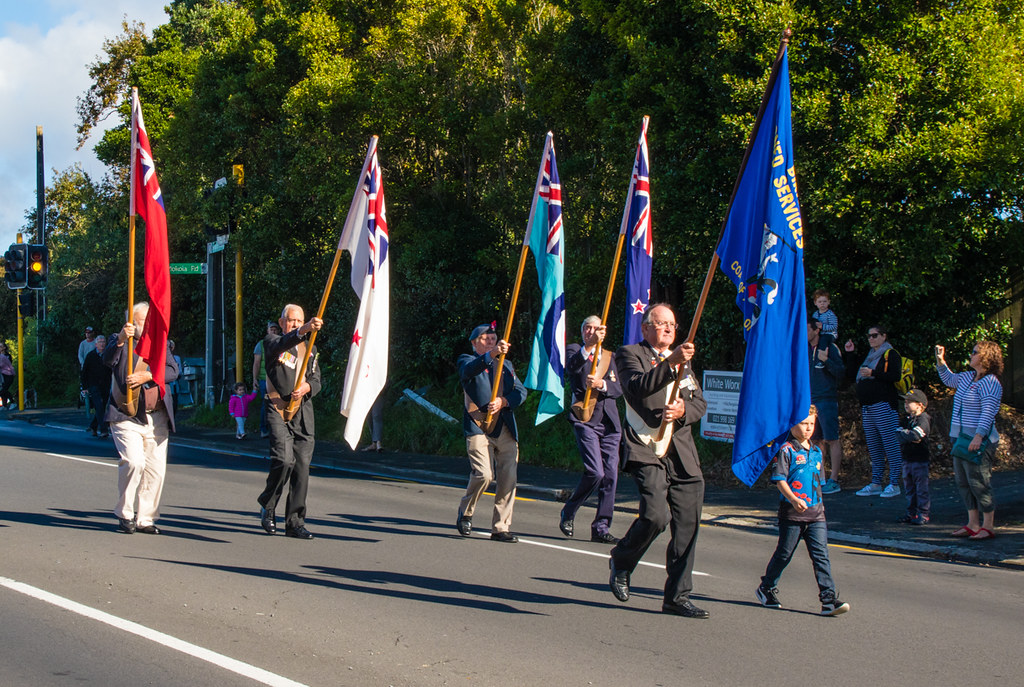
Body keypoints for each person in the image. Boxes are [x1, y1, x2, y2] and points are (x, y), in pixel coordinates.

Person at [609, 303, 709, 619]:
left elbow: (699, 403)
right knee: (655, 516)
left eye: (672, 325)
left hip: (680, 451)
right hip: (644, 445)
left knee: (688, 525)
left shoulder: (685, 364)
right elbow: (637, 388)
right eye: (661, 323)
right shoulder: (629, 354)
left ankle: (677, 597)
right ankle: (622, 561)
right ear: (646, 327)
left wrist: (684, 412)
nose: (668, 329)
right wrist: (670, 364)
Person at [755, 408, 851, 616]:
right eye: (803, 423)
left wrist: (821, 505)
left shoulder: (816, 451)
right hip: (792, 513)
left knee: (821, 556)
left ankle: (828, 599)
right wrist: (793, 499)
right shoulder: (786, 450)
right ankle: (767, 587)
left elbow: (818, 481)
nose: (808, 428)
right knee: (784, 554)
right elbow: (779, 479)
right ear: (792, 425)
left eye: (811, 424)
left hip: (816, 514)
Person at [103, 303, 178, 535]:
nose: (143, 324)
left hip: (157, 416)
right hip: (126, 414)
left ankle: (146, 518)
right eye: (138, 320)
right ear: (130, 322)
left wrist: (150, 374)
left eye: (146, 320)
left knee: (155, 470)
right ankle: (125, 513)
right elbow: (107, 360)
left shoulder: (160, 342)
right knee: (134, 462)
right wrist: (121, 341)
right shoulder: (120, 340)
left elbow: (173, 371)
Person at [456, 323, 527, 543]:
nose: (491, 342)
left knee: (508, 477)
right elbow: (469, 372)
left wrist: (504, 401)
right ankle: (466, 511)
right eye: (486, 339)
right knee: (484, 474)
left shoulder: (507, 365)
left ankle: (500, 527)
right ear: (474, 342)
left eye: (494, 339)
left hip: (503, 425)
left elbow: (521, 392)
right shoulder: (467, 360)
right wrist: (491, 355)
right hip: (478, 424)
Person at [257, 304, 322, 539]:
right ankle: (268, 504)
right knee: (283, 461)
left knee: (302, 470)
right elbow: (283, 343)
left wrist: (307, 387)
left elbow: (316, 380)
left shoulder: (310, 349)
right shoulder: (273, 342)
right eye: (291, 320)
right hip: (278, 408)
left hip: (303, 414)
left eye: (299, 321)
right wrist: (303, 329)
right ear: (282, 321)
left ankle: (295, 522)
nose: (294, 324)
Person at [559, 316, 622, 544]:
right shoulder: (575, 350)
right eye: (587, 327)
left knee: (611, 477)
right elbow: (572, 368)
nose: (591, 331)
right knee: (596, 472)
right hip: (585, 419)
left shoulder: (609, 357)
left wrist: (602, 385)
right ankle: (569, 510)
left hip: (610, 425)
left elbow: (618, 387)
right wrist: (589, 346)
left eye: (596, 329)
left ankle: (601, 527)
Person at [936, 341, 1003, 540]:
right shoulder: (967, 377)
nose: (971, 355)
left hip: (978, 440)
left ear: (986, 358)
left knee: (979, 482)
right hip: (961, 439)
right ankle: (973, 523)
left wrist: (978, 435)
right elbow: (949, 379)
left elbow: (989, 411)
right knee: (963, 482)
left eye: (975, 352)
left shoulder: (990, 382)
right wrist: (940, 361)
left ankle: (988, 525)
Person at [844, 325, 903, 498]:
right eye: (869, 336)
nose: (871, 339)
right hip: (868, 407)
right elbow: (851, 374)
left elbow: (895, 375)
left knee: (890, 444)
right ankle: (876, 482)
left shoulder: (890, 354)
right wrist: (850, 354)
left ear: (884, 336)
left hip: (883, 405)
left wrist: (873, 373)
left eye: (875, 335)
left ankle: (894, 482)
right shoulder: (869, 357)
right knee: (874, 445)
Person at [808, 318, 845, 493]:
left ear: (817, 330)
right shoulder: (805, 349)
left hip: (827, 399)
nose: (804, 333)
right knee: (815, 439)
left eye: (807, 329)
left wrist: (826, 360)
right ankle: (819, 477)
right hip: (810, 399)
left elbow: (840, 372)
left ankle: (834, 479)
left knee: (831, 438)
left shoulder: (830, 346)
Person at [896, 389, 931, 525]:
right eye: (905, 401)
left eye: (909, 402)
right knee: (909, 488)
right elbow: (898, 435)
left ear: (920, 405)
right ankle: (911, 513)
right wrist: (908, 435)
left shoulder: (923, 419)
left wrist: (908, 435)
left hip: (920, 460)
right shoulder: (905, 420)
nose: (906, 404)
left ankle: (923, 513)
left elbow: (917, 436)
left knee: (921, 488)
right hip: (907, 459)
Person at [252, 320, 281, 439]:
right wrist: (255, 379)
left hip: (278, 379)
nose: (273, 331)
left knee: (278, 405)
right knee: (266, 405)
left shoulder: (282, 342)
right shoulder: (261, 344)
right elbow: (257, 363)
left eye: (275, 329)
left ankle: (276, 429)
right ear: (267, 330)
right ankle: (264, 429)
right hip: (265, 379)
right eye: (271, 329)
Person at [80, 334, 112, 437]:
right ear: (96, 344)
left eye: (103, 342)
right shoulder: (91, 356)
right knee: (98, 405)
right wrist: (84, 387)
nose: (102, 344)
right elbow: (84, 372)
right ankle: (103, 429)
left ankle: (93, 425)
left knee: (102, 407)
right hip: (93, 385)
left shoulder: (108, 355)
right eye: (100, 342)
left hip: (105, 384)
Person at [0, 341, 14, 407]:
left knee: (3, 390)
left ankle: (12, 401)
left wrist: (13, 373)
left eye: (1, 346)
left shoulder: (7, 356)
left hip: (8, 374)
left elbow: (8, 365)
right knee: (3, 391)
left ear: (4, 348)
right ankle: (4, 405)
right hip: (2, 375)